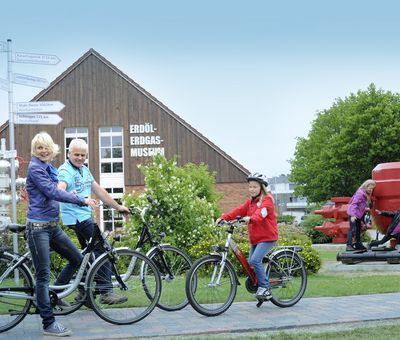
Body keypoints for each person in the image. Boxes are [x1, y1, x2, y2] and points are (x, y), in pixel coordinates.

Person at [26, 132, 96, 337]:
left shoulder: (49, 167)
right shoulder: (35, 169)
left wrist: (74, 195)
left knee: (77, 259)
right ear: (34, 150)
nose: (43, 150)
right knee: (43, 275)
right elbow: (53, 192)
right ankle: (48, 322)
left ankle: (52, 295)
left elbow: (61, 189)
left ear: (53, 149)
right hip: (38, 228)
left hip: (52, 226)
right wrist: (81, 201)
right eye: (39, 147)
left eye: (46, 147)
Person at [57, 138, 130, 305]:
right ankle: (106, 292)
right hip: (77, 218)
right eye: (76, 154)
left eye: (83, 155)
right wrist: (74, 197)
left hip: (83, 217)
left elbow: (100, 191)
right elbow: (59, 190)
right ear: (69, 154)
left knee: (86, 256)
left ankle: (85, 294)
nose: (80, 158)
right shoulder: (66, 171)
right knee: (104, 249)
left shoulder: (84, 170)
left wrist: (118, 207)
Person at [215, 172, 278, 301]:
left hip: (267, 238)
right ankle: (259, 282)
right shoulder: (250, 202)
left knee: (255, 260)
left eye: (255, 187)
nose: (252, 189)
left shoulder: (267, 200)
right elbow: (238, 211)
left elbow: (261, 214)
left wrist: (251, 218)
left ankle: (265, 288)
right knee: (251, 262)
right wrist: (223, 218)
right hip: (255, 239)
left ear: (262, 187)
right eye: (250, 187)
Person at [346, 179, 376, 251]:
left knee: (358, 230)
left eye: (372, 189)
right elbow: (354, 204)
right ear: (366, 186)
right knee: (352, 229)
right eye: (370, 188)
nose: (371, 190)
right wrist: (353, 215)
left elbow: (368, 205)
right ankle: (349, 245)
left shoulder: (366, 194)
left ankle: (358, 244)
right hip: (353, 214)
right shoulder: (360, 193)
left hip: (359, 215)